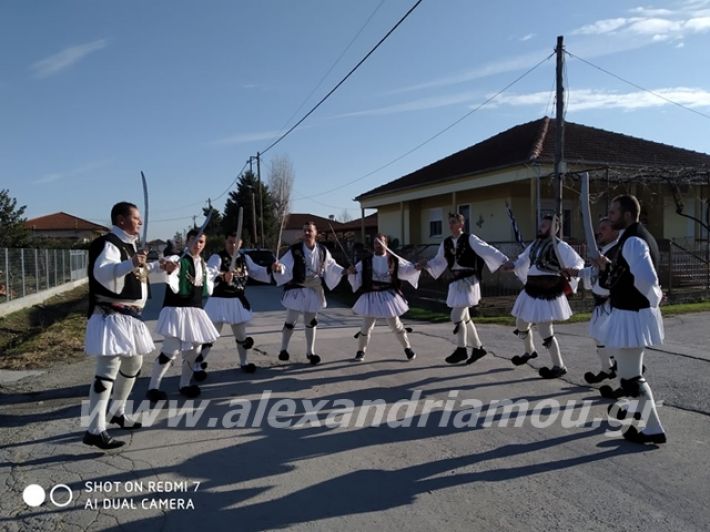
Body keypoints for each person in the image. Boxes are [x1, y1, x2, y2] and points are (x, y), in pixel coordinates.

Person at [83, 201, 172, 450]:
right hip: (110, 315)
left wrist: (157, 266)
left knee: (134, 362)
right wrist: (132, 263)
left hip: (129, 317)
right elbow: (103, 272)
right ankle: (94, 428)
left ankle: (117, 412)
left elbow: (135, 273)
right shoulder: (108, 243)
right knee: (107, 368)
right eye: (136, 218)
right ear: (121, 219)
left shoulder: (128, 245)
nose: (140, 222)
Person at [595, 194, 666, 444]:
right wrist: (608, 268)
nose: (609, 217)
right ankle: (640, 413)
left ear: (626, 215)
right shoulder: (634, 237)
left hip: (631, 315)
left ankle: (653, 428)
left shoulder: (633, 241)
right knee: (630, 373)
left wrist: (655, 298)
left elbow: (646, 278)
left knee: (631, 377)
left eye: (613, 213)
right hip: (631, 313)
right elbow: (629, 274)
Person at [420, 212, 509, 365]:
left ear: (461, 224)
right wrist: (425, 264)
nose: (450, 225)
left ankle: (461, 349)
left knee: (456, 316)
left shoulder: (470, 239)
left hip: (469, 281)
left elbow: (487, 249)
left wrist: (503, 260)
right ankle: (478, 348)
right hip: (456, 281)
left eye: (453, 222)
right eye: (449, 222)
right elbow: (439, 261)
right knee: (465, 318)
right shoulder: (446, 242)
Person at [503, 214, 584, 379]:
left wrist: (572, 270)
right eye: (541, 225)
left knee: (544, 329)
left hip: (547, 291)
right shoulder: (535, 244)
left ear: (555, 229)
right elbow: (523, 260)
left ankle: (559, 365)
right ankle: (529, 351)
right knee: (521, 322)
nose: (541, 228)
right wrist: (512, 266)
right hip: (531, 289)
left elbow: (578, 262)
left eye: (545, 226)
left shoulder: (561, 246)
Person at [146, 228, 220, 401]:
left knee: (195, 350)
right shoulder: (177, 258)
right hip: (176, 311)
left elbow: (212, 279)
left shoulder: (203, 264)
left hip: (195, 312)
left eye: (201, 242)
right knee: (170, 351)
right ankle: (153, 388)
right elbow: (159, 265)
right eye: (194, 241)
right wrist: (165, 266)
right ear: (188, 241)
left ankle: (184, 384)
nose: (197, 245)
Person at [196, 233, 273, 377]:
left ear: (241, 244)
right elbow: (209, 273)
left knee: (241, 336)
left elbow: (256, 271)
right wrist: (222, 275)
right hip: (219, 301)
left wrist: (271, 268)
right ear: (225, 242)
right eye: (230, 242)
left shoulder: (245, 258)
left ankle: (244, 362)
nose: (232, 246)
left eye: (235, 243)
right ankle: (196, 365)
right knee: (210, 336)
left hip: (237, 301)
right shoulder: (217, 257)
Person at [272, 221, 345, 365]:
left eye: (309, 231)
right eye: (304, 231)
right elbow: (285, 265)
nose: (306, 233)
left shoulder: (323, 250)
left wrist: (345, 271)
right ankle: (283, 349)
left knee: (311, 322)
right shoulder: (295, 250)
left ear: (315, 233)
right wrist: (279, 268)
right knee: (290, 322)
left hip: (314, 289)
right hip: (297, 288)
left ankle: (310, 352)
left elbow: (331, 266)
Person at [348, 234, 419, 362]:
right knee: (366, 326)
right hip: (371, 295)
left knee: (396, 324)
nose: (378, 245)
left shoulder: (394, 260)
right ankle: (360, 351)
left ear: (386, 244)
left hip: (388, 296)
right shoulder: (366, 261)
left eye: (381, 242)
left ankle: (407, 348)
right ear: (373, 245)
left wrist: (416, 268)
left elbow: (406, 271)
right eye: (376, 242)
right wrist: (351, 272)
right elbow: (356, 275)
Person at [567, 217, 619, 384]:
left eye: (604, 228)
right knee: (598, 335)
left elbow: (615, 273)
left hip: (613, 303)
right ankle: (607, 368)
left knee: (613, 338)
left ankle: (629, 368)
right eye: (599, 228)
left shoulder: (618, 250)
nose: (599, 231)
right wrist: (576, 273)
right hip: (601, 303)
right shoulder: (604, 250)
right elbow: (595, 272)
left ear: (615, 230)